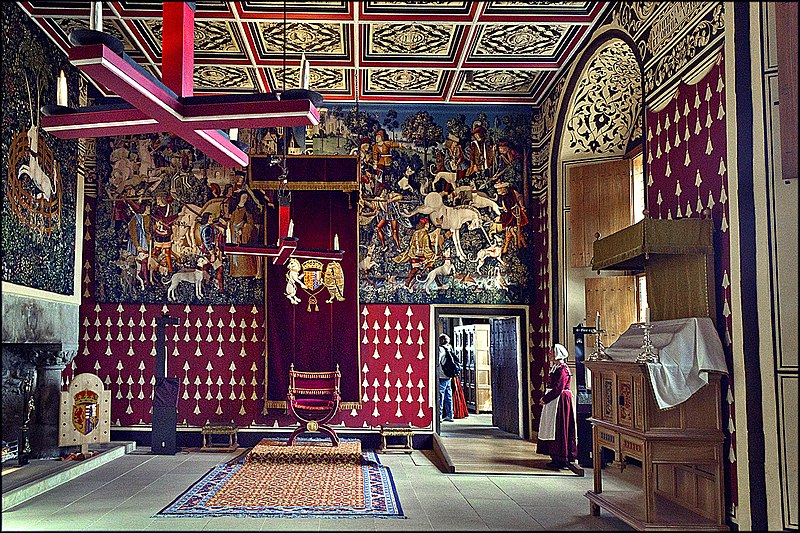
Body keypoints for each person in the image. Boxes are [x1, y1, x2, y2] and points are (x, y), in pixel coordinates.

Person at [536, 343, 578, 469]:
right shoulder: (556, 367)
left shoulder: (562, 369)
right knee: (553, 428)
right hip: (554, 401)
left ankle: (562, 457)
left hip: (560, 401)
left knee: (560, 428)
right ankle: (555, 456)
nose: (549, 354)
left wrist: (546, 399)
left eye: (552, 352)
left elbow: (559, 387)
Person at [437, 333, 460, 422]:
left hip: (442, 375)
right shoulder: (449, 348)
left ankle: (439, 415)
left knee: (440, 395)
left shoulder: (440, 349)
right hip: (448, 375)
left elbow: (438, 362)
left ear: (442, 340)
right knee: (448, 395)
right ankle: (450, 415)